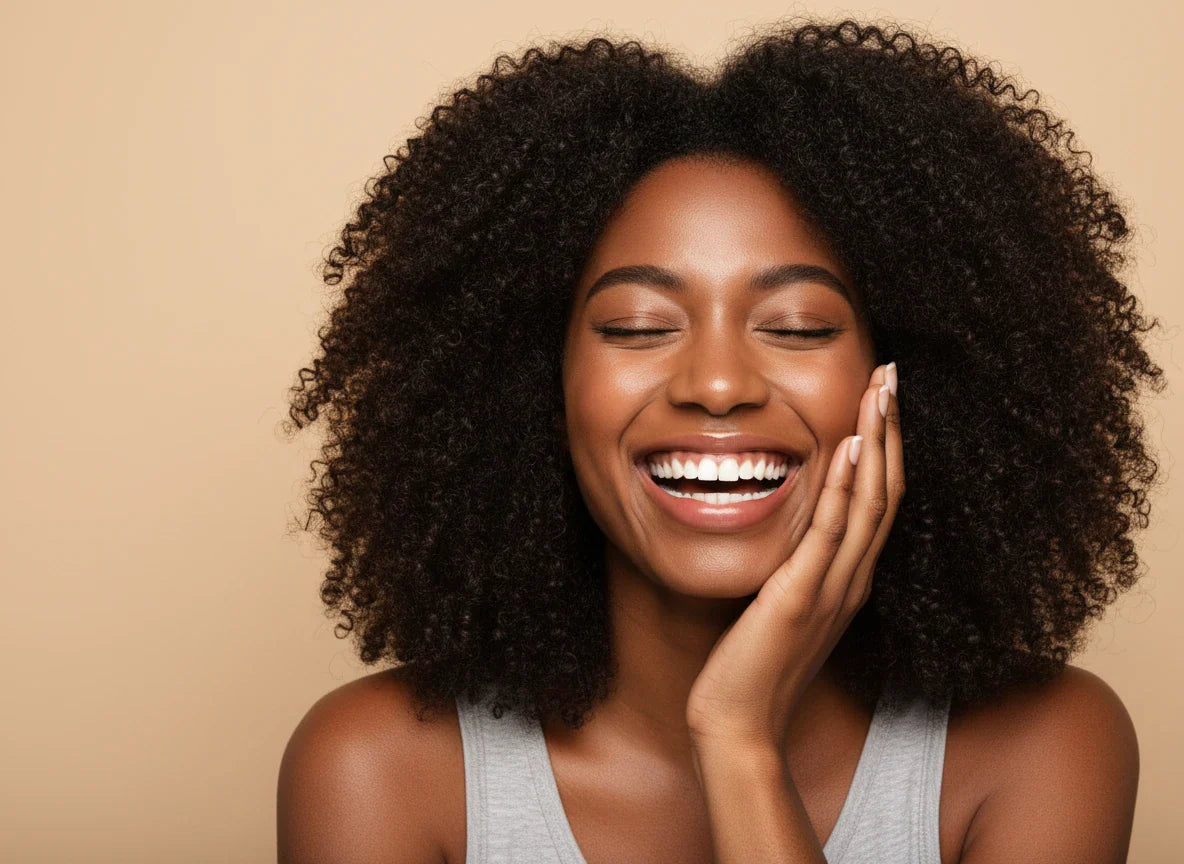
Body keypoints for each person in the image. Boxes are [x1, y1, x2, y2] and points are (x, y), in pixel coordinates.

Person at [276, 19, 1159, 864]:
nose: (718, 384)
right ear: (534, 386)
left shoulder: (1041, 749)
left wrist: (738, 744)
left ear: (907, 380)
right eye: (635, 325)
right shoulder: (383, 769)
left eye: (801, 326)